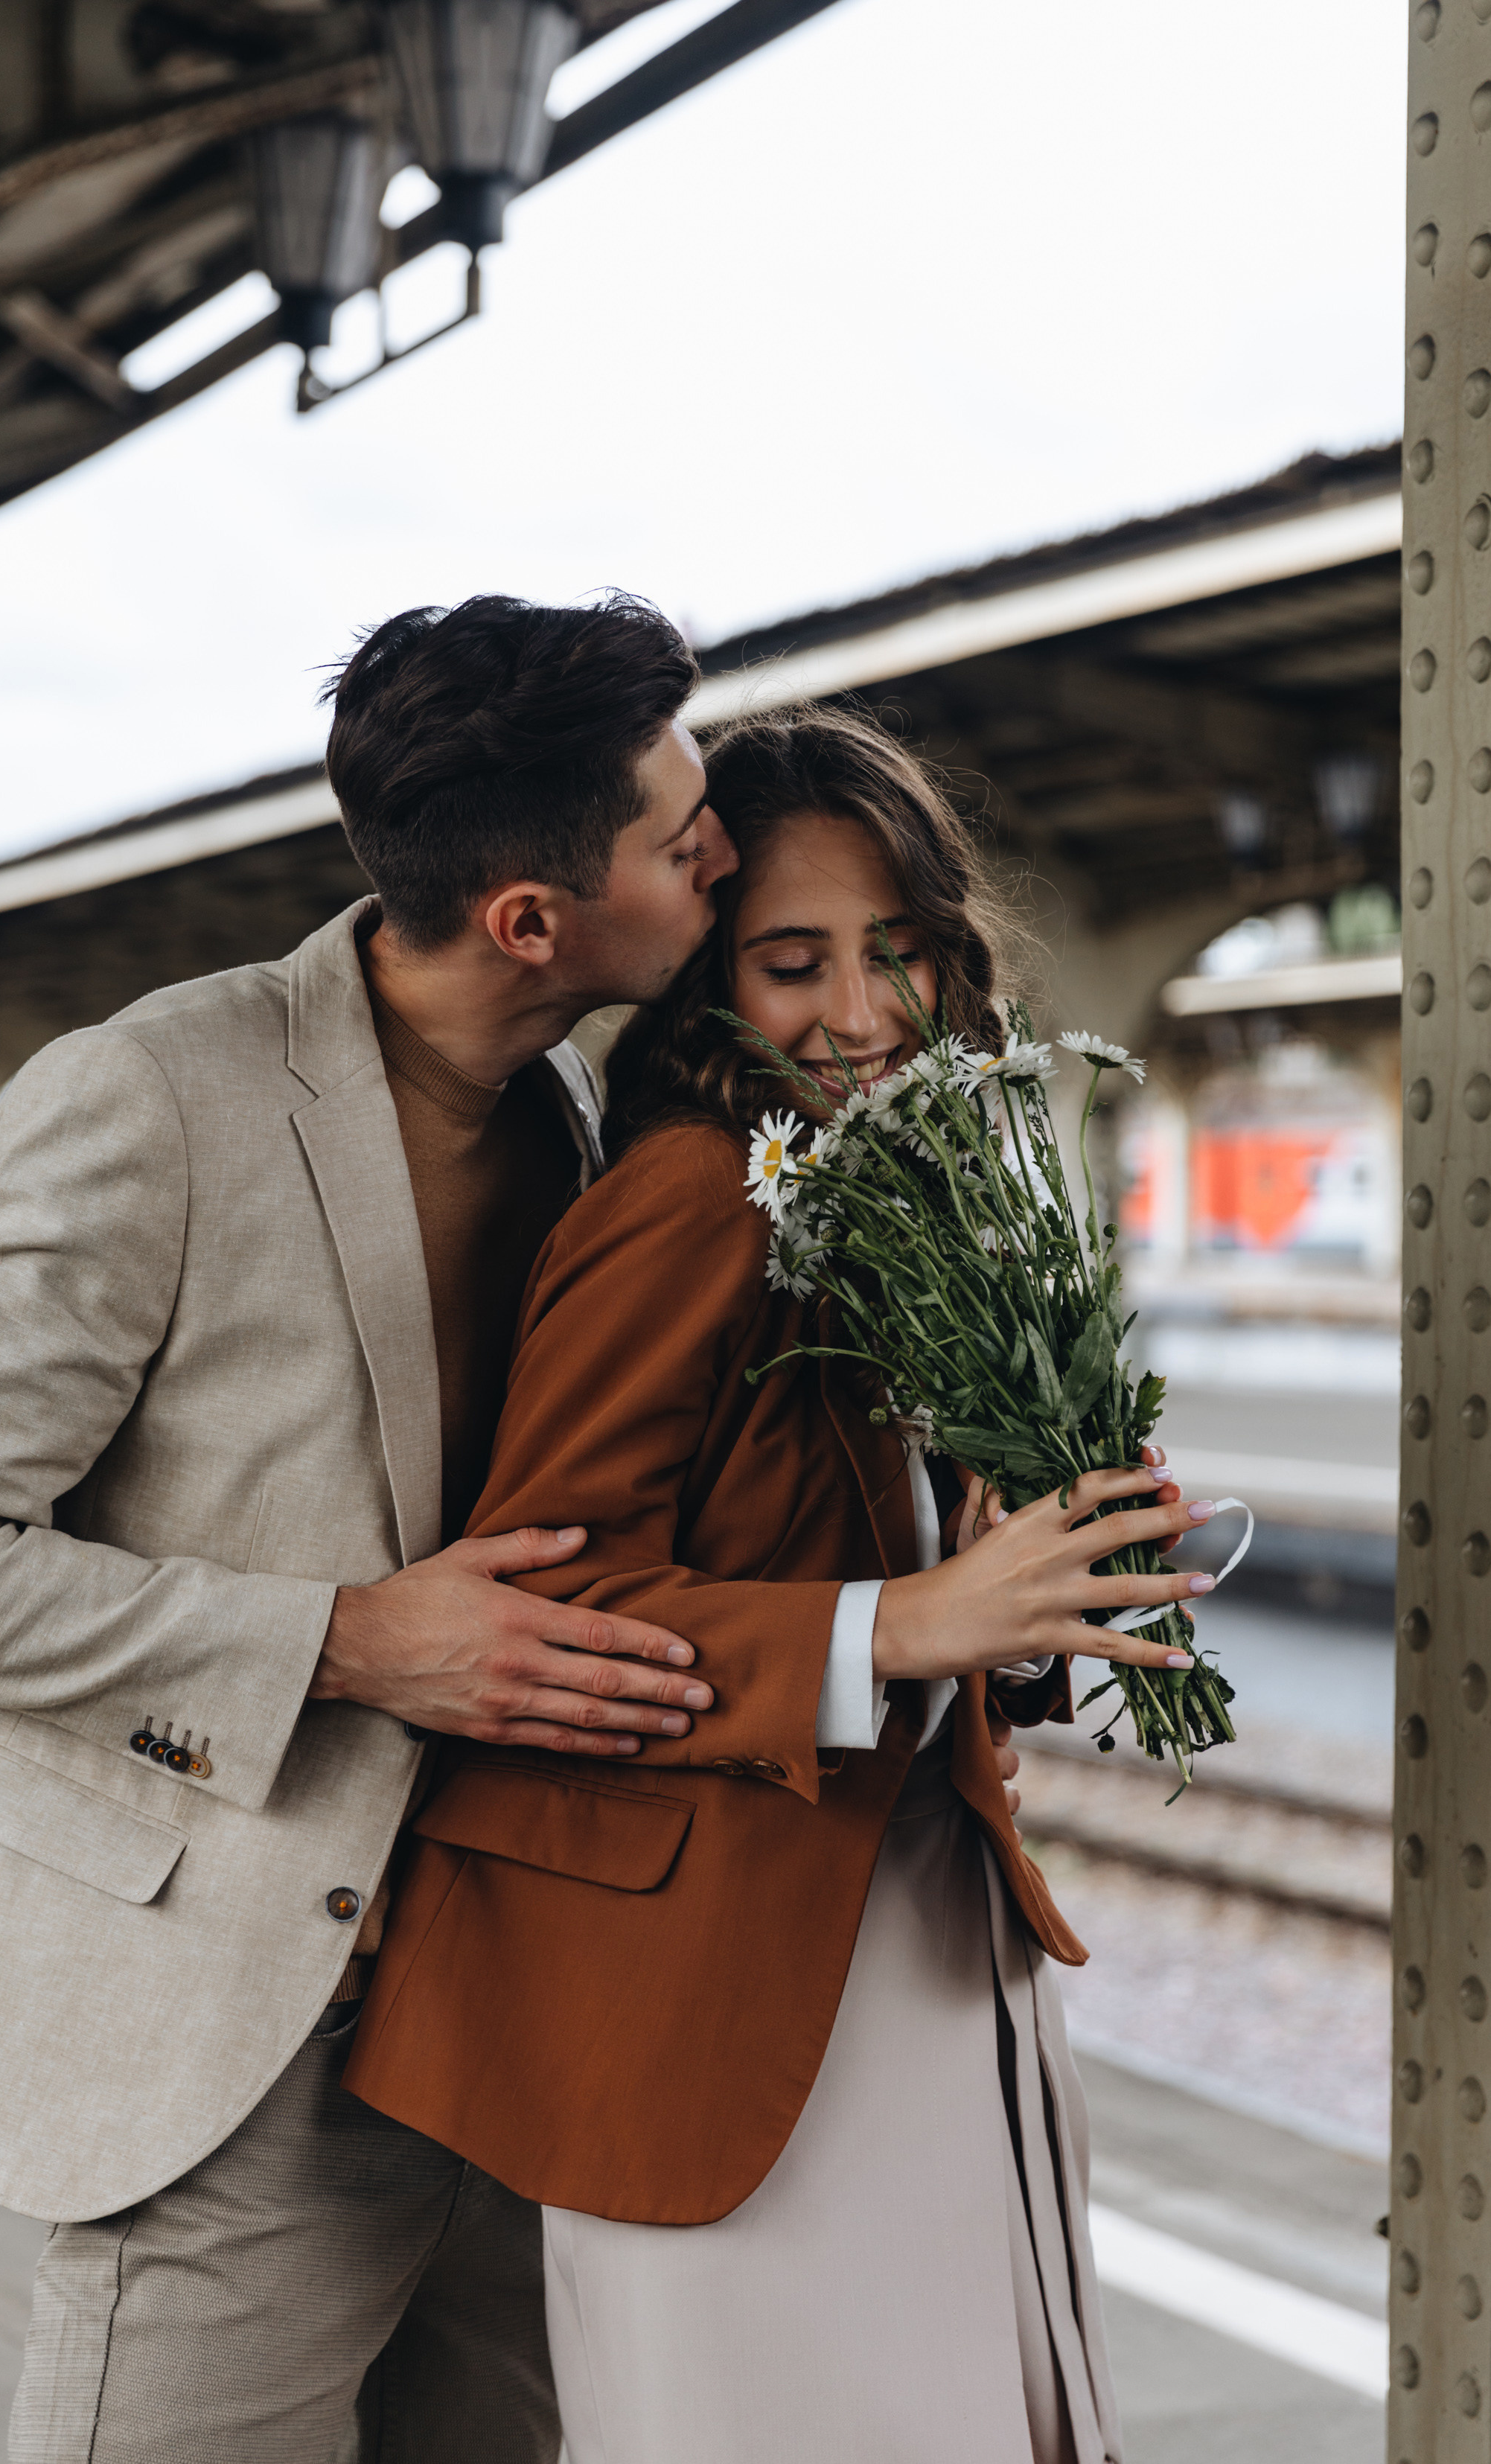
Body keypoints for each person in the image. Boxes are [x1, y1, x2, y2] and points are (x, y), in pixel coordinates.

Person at [0, 594, 742, 2463]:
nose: (719, 848)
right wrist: (345, 1635)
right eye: (680, 833)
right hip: (227, 2044)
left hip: (496, 2024)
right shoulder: (154, 1094)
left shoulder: (576, 1107)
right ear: (532, 919)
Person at [345, 705, 1218, 2464]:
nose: (865, 1013)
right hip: (726, 2001)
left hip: (898, 1928)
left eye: (900, 953)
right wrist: (906, 1624)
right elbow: (554, 1606)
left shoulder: (887, 1189)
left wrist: (1020, 1577)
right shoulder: (695, 1195)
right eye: (794, 961)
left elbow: (871, 1549)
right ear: (706, 981)